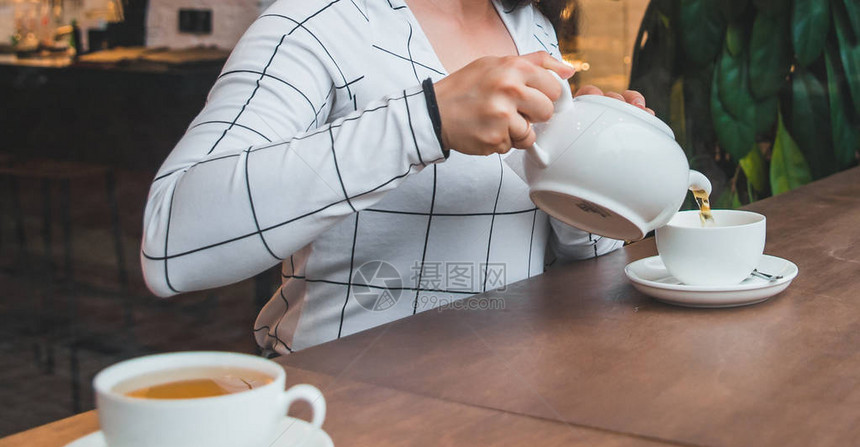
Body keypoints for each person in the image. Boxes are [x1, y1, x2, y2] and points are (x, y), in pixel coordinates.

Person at [141, 0, 651, 354]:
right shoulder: (313, 23)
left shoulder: (532, 26)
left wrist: (588, 152)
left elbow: (574, 256)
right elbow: (171, 245)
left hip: (515, 400)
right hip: (346, 405)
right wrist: (425, 120)